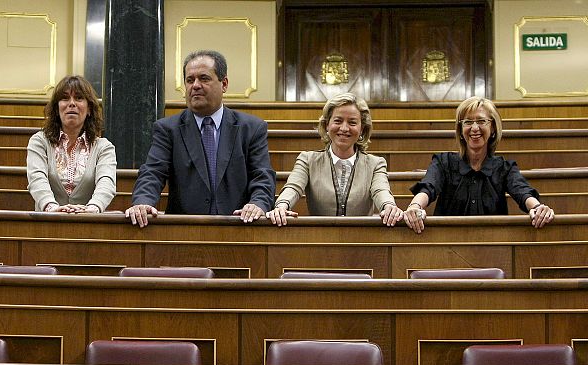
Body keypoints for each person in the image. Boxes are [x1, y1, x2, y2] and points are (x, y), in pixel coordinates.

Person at [125, 50, 276, 227]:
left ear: (224, 83)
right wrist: (143, 201)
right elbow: (153, 172)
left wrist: (257, 204)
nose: (195, 85)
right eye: (190, 80)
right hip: (184, 232)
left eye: (204, 78)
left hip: (239, 228)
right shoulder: (168, 129)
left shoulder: (251, 128)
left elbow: (262, 176)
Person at [404, 96, 555, 233]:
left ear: (493, 128)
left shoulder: (504, 168)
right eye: (468, 122)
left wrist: (537, 208)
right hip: (447, 246)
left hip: (494, 247)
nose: (474, 128)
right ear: (461, 130)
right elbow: (428, 187)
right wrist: (415, 206)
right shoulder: (443, 163)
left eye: (481, 121)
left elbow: (522, 192)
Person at [266, 93, 403, 227]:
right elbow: (293, 188)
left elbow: (381, 191)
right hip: (319, 240)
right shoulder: (308, 160)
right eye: (338, 121)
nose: (344, 128)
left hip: (363, 242)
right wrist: (281, 206)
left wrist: (389, 206)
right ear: (326, 125)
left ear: (362, 129)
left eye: (352, 122)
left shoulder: (375, 164)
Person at [26, 75, 116, 213]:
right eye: (65, 98)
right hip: (47, 224)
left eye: (79, 98)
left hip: (89, 224)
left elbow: (106, 182)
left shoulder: (104, 147)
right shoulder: (39, 142)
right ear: (56, 109)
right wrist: (53, 208)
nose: (72, 103)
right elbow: (36, 179)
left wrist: (92, 209)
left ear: (89, 109)